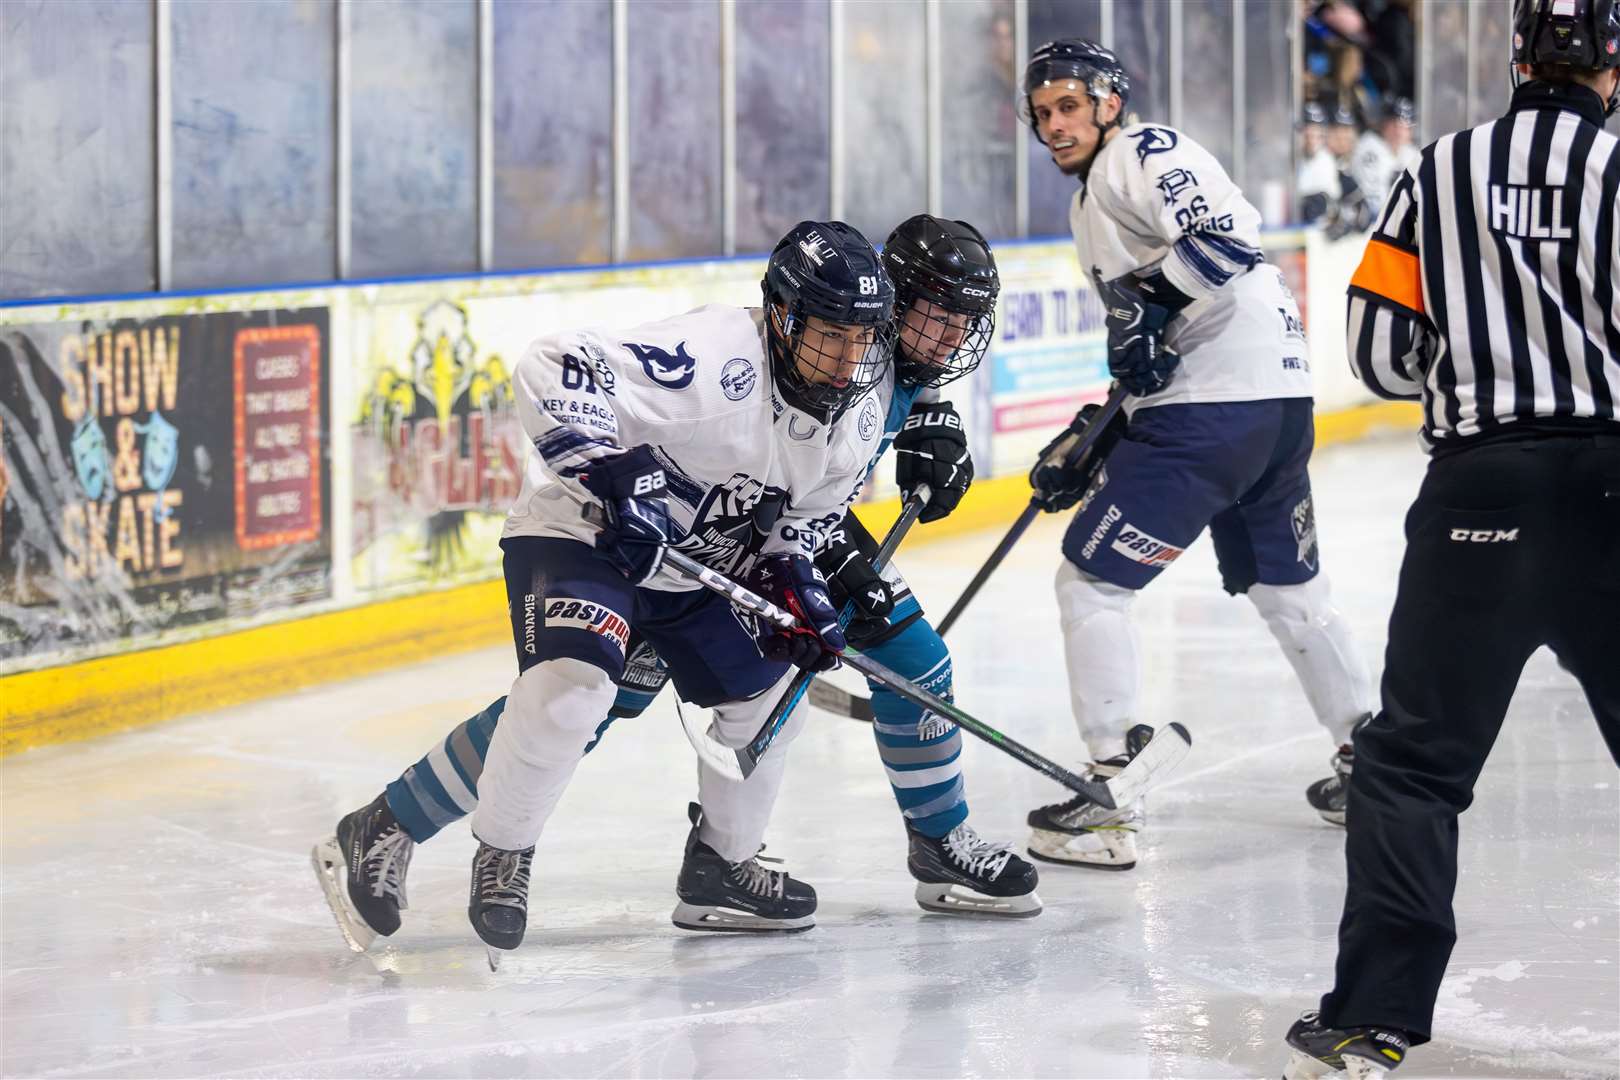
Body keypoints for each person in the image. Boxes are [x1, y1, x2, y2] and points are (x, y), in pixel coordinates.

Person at [313, 215, 1043, 958]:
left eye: (868, 338)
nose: (854, 357)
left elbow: (825, 485)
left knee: (751, 702)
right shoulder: (717, 362)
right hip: (608, 536)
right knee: (575, 698)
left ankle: (730, 862)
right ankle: (438, 834)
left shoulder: (859, 373)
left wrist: (801, 580)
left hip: (713, 554)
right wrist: (611, 471)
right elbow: (557, 366)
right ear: (792, 318)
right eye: (931, 316)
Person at [1284, 0, 1620, 1074]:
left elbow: (1380, 353)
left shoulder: (1438, 171)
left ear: (1516, 55)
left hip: (1481, 491)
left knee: (1414, 766)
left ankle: (1373, 1014)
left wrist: (1484, 366)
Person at [1014, 38, 1378, 871]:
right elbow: (1157, 340)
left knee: (1092, 583)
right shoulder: (1095, 197)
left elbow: (1229, 235)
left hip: (1216, 410)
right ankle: (1371, 760)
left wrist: (1145, 305)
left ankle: (1110, 787)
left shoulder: (1144, 150)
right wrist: (1105, 428)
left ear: (1110, 102)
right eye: (1042, 114)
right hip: (1272, 407)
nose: (1056, 125)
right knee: (1291, 591)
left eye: (1069, 105)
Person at [1348, 96, 1417, 218]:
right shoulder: (1369, 147)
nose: (1399, 132)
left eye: (1405, 127)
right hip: (1369, 223)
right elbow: (1373, 202)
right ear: (1384, 124)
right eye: (1395, 125)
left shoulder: (1410, 152)